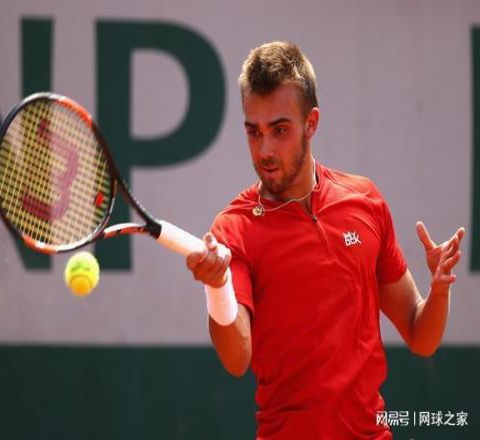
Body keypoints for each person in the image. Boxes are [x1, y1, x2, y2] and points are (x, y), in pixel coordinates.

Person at [186, 41, 465, 439]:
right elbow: (237, 358)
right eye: (253, 131)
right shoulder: (235, 228)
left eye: (280, 130)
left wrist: (438, 290)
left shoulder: (364, 200)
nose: (265, 150)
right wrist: (217, 288)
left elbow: (421, 336)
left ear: (311, 122)